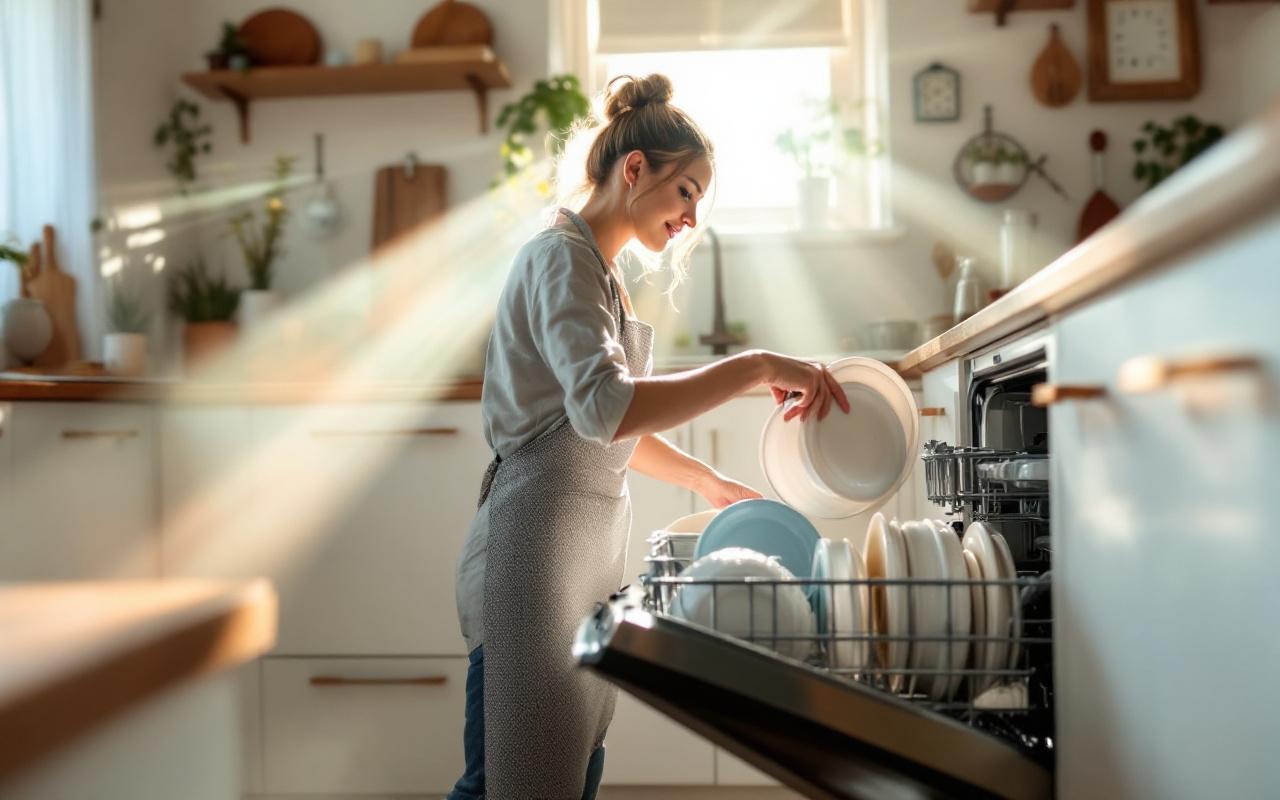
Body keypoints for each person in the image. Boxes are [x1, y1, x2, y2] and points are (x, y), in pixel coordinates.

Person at [448, 73, 850, 800]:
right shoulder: (559, 257)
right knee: (509, 782)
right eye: (687, 190)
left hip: (580, 556)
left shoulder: (599, 270)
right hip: (529, 556)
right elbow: (606, 409)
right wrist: (754, 366)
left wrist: (703, 481)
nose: (692, 217)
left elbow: (599, 430)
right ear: (636, 170)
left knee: (571, 768)